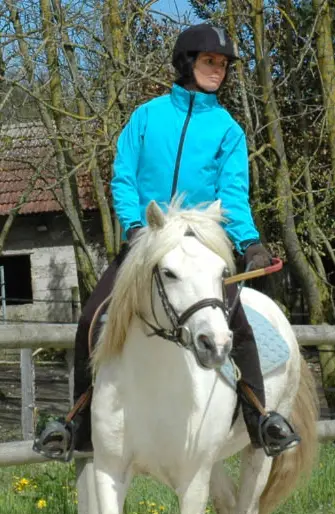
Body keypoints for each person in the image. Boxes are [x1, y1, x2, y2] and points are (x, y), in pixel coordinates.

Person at [33, 23, 300, 461]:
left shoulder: (229, 130)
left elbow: (232, 195)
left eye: (223, 65)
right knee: (90, 318)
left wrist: (249, 240)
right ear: (186, 63)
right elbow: (123, 178)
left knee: (241, 329)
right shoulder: (147, 117)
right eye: (209, 61)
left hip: (201, 248)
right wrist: (136, 226)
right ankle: (77, 422)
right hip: (146, 243)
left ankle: (260, 419)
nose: (218, 70)